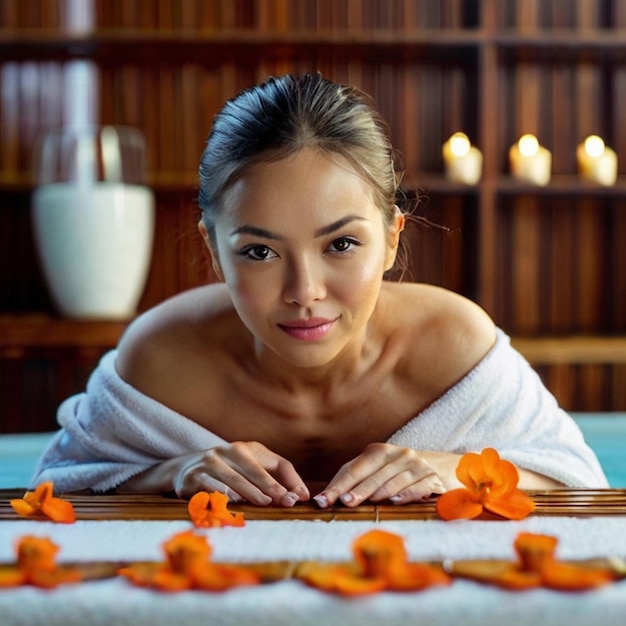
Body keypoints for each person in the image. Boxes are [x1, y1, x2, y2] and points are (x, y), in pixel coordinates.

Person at [31, 73, 608, 506]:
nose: (304, 292)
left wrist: (456, 470)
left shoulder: (457, 348)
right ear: (213, 249)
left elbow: (583, 485)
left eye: (341, 245)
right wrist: (169, 473)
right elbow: (53, 487)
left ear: (390, 239)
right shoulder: (158, 361)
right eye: (259, 252)